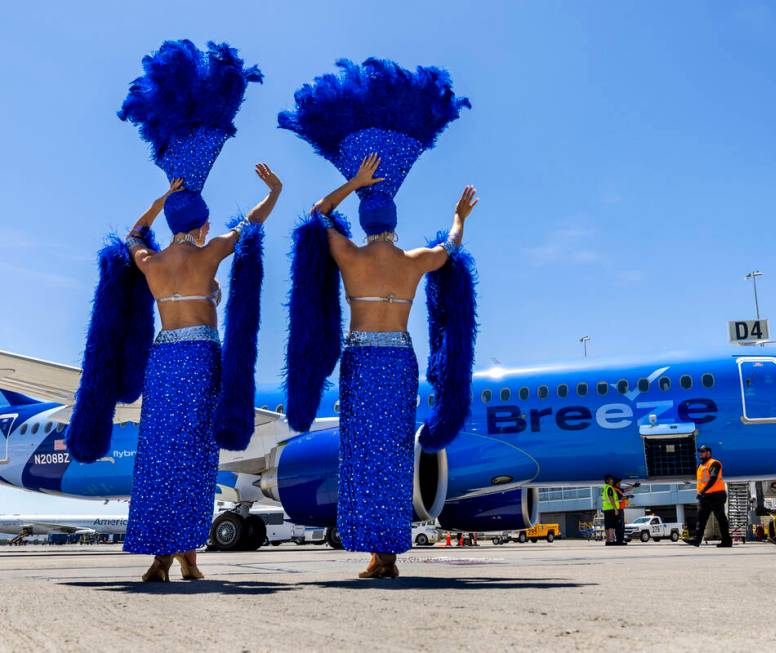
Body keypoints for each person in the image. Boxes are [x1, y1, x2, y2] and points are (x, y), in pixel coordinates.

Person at [67, 40, 271, 583]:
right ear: (202, 221)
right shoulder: (209, 253)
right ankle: (187, 558)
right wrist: (272, 190)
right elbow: (251, 223)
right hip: (201, 356)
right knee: (195, 459)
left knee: (158, 457)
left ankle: (160, 556)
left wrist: (161, 199)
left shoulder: (152, 260)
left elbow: (132, 233)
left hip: (164, 358)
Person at [279, 59, 476, 579]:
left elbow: (317, 213)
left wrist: (355, 181)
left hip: (362, 359)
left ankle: (374, 552)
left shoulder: (351, 257)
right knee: (392, 455)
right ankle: (387, 550)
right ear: (395, 221)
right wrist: (460, 215)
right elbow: (452, 246)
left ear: (366, 222)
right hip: (400, 359)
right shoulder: (414, 261)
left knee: (362, 454)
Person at [685, 445, 732, 547]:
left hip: (716, 495)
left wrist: (702, 491)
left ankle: (727, 541)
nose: (700, 453)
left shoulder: (714, 463)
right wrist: (702, 493)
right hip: (705, 496)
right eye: (700, 451)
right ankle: (697, 540)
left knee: (721, 519)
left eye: (703, 451)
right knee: (701, 519)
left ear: (709, 453)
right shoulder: (701, 466)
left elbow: (713, 478)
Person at [613, 479, 640, 544]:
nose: (620, 484)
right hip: (618, 509)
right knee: (620, 526)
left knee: (621, 526)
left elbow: (625, 490)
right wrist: (627, 497)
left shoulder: (618, 489)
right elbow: (619, 498)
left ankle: (620, 539)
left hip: (620, 509)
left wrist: (633, 486)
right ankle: (619, 540)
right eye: (619, 483)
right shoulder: (615, 489)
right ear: (616, 483)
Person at [601, 475, 620, 545]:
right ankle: (611, 540)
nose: (613, 481)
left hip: (606, 509)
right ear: (608, 481)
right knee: (611, 526)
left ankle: (608, 540)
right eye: (611, 480)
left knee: (607, 525)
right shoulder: (609, 488)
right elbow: (611, 498)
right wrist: (615, 509)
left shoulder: (604, 488)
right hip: (611, 509)